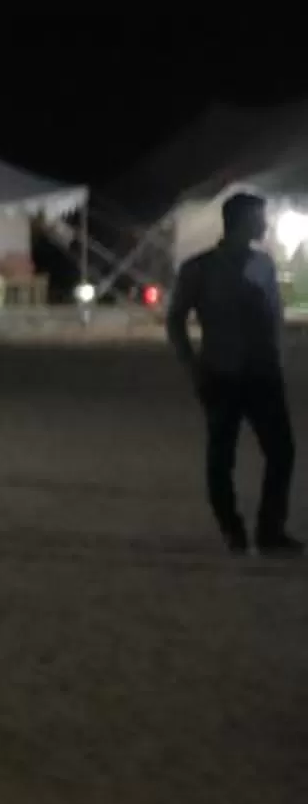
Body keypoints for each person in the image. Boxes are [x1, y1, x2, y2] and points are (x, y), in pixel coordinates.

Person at [166, 191, 296, 555]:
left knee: (281, 452)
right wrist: (191, 365)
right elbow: (176, 318)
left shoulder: (263, 265)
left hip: (262, 372)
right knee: (222, 456)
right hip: (221, 372)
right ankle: (232, 527)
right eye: (259, 218)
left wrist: (277, 358)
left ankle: (270, 531)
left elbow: (274, 316)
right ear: (240, 222)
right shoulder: (200, 268)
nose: (265, 225)